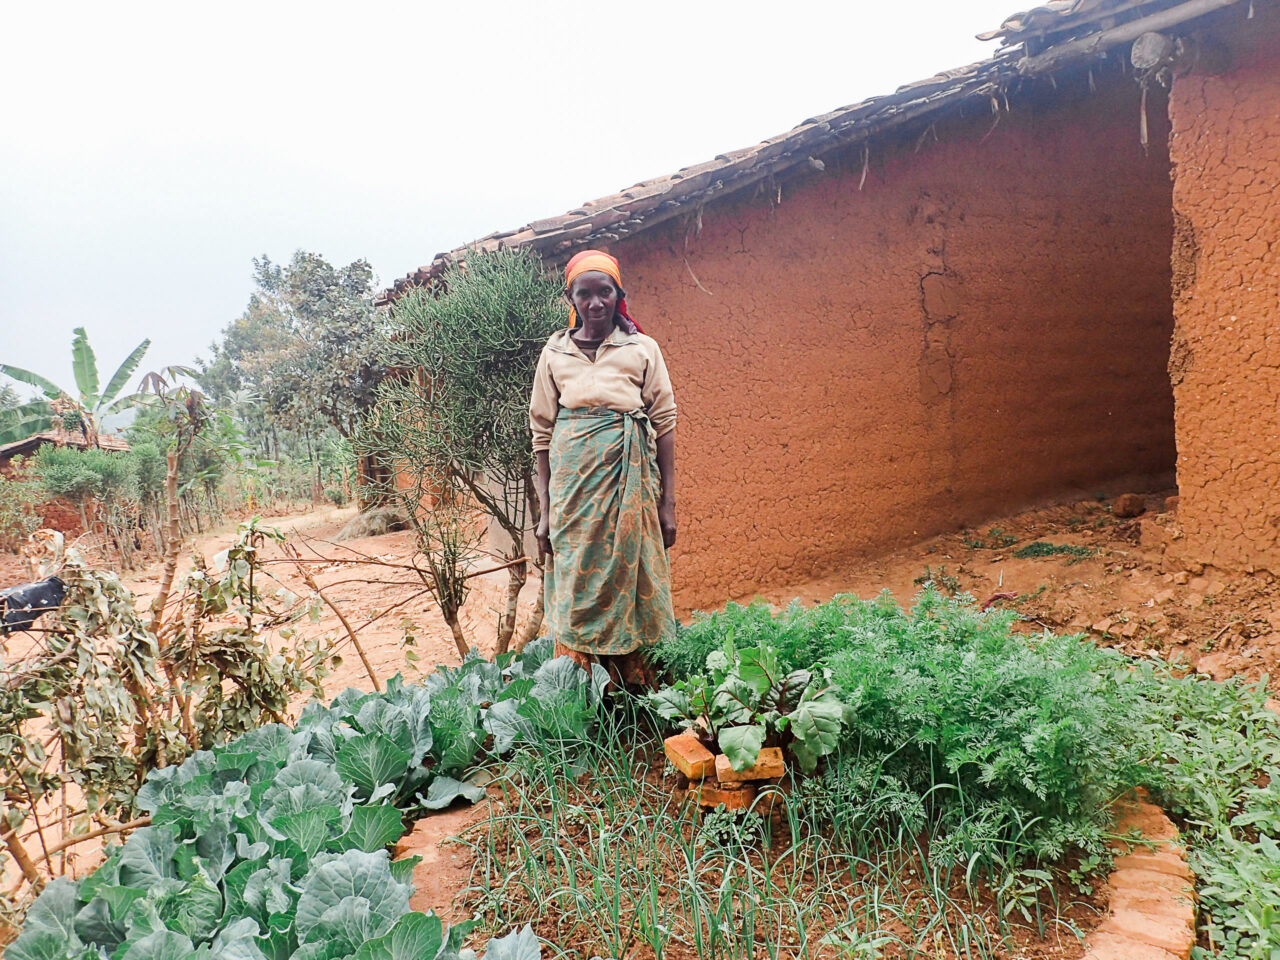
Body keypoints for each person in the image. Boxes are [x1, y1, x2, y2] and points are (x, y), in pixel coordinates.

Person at [529, 249, 677, 685]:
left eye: (604, 292)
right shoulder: (554, 353)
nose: (595, 303)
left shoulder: (642, 348)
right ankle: (581, 686)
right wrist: (546, 510)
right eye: (585, 294)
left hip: (631, 487)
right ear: (571, 298)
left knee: (633, 572)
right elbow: (541, 434)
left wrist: (668, 505)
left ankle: (637, 688)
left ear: (618, 295)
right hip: (573, 494)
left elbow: (665, 424)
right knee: (577, 577)